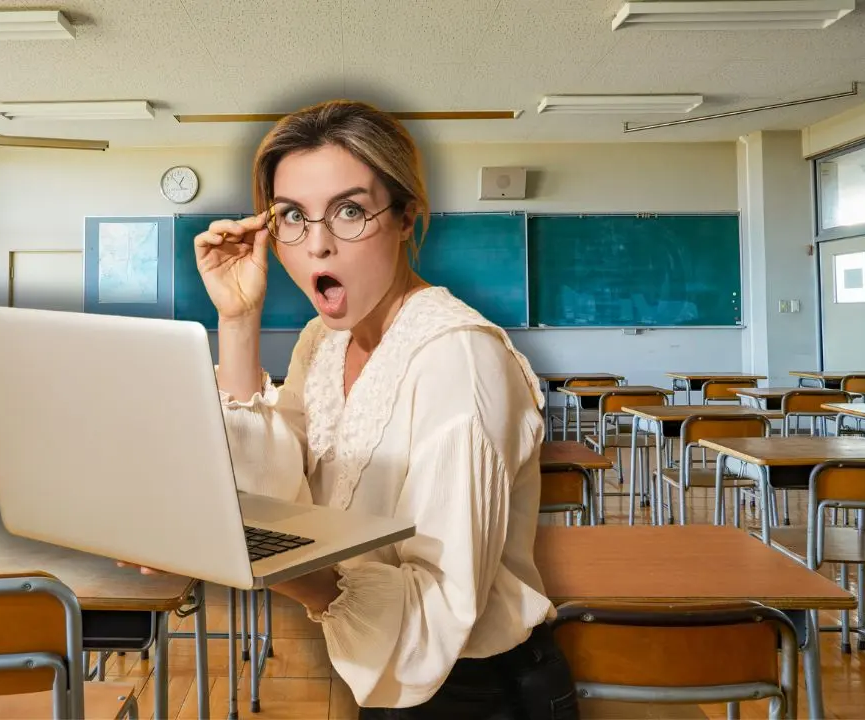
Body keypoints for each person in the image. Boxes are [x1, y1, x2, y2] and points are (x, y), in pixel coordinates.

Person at [195, 99, 578, 719]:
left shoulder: (458, 359)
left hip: (474, 688)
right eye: (292, 215)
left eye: (350, 211)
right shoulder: (323, 342)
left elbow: (437, 608)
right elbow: (271, 491)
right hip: (389, 674)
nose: (317, 246)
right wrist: (237, 321)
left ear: (406, 217)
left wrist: (246, 557)